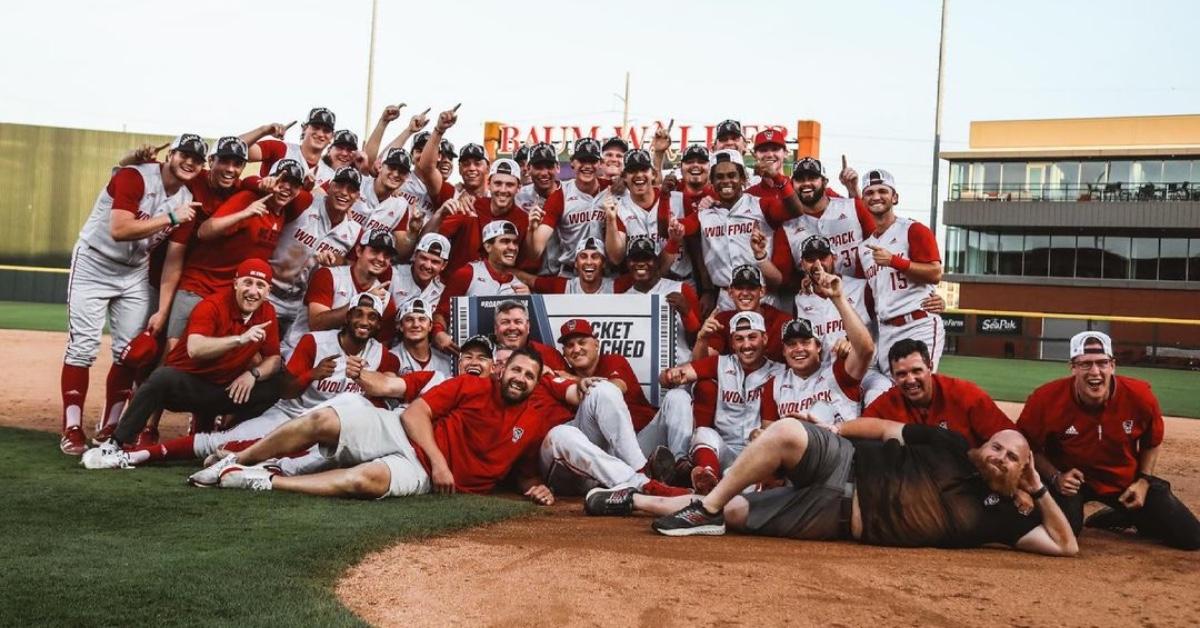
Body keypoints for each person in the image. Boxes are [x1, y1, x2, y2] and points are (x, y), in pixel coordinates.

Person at [585, 417, 1078, 557]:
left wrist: (1038, 491)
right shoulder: (949, 444)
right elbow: (884, 428)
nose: (998, 456)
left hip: (834, 517)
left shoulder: (1002, 515)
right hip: (844, 462)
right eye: (997, 446)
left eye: (1012, 457)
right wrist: (832, 430)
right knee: (785, 432)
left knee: (735, 514)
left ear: (1022, 472)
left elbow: (1065, 545)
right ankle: (706, 509)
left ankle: (632, 499)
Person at [191, 348, 558, 504]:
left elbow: (523, 473)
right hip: (406, 432)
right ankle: (238, 458)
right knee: (323, 418)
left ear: (536, 382)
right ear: (501, 371)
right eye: (517, 370)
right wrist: (441, 459)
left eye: (529, 375)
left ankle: (265, 481)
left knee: (361, 481)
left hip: (421, 474)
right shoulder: (472, 384)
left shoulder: (533, 420)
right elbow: (415, 414)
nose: (521, 378)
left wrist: (536, 488)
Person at [103, 292, 400, 468]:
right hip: (292, 414)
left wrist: (365, 379)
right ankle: (137, 455)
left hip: (328, 430)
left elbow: (381, 403)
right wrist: (313, 373)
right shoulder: (315, 342)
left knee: (313, 457)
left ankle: (233, 458)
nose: (364, 321)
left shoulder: (385, 357)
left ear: (378, 324)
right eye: (358, 314)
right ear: (346, 317)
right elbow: (284, 390)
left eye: (372, 317)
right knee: (218, 440)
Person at [59, 133, 205, 454]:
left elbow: (172, 263)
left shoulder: (186, 199)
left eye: (197, 158)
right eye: (185, 154)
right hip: (94, 263)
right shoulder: (134, 175)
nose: (190, 162)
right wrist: (169, 218)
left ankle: (110, 425)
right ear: (171, 155)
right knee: (83, 347)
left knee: (131, 353)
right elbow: (119, 229)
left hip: (134, 272)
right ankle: (71, 428)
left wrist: (163, 310)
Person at [81, 259, 286, 469]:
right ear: (235, 283)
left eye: (260, 286)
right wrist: (240, 339)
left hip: (224, 390)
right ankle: (116, 442)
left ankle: (232, 442)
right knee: (161, 378)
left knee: (276, 384)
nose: (253, 291)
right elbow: (195, 348)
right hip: (189, 387)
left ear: (268, 290)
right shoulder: (212, 305)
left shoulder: (267, 312)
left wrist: (253, 374)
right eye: (247, 283)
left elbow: (274, 359)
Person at [1017, 331, 1200, 550]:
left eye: (1102, 363)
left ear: (1113, 366)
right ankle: (1114, 513)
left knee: (1190, 538)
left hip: (1124, 480)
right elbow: (1026, 446)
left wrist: (1143, 481)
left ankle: (1119, 515)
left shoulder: (1139, 395)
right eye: (1085, 364)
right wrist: (1055, 476)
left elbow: (1152, 441)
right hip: (1071, 482)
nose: (1095, 372)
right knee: (1065, 531)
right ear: (1072, 368)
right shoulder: (1045, 399)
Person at [539, 319, 695, 494]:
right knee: (590, 400)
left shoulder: (612, 360)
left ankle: (681, 469)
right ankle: (642, 475)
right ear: (564, 353)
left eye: (582, 342)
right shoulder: (562, 378)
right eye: (569, 345)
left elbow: (617, 386)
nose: (576, 349)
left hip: (640, 442)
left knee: (678, 396)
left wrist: (575, 380)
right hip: (601, 450)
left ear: (596, 344)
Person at [660, 311, 785, 493]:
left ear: (764, 339)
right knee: (703, 433)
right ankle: (707, 477)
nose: (746, 345)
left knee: (741, 481)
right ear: (732, 343)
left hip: (756, 450)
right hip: (723, 448)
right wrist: (670, 376)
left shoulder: (780, 372)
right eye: (739, 339)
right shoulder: (720, 363)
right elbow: (672, 376)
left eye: (752, 337)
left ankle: (729, 487)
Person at [666, 150, 802, 310]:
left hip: (763, 297)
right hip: (726, 299)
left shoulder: (760, 205)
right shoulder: (704, 214)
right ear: (712, 182)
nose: (726, 181)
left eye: (732, 175)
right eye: (719, 177)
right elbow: (678, 227)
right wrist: (670, 215)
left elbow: (795, 210)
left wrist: (777, 177)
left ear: (743, 179)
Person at [760, 270, 875, 433]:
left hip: (839, 449)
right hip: (797, 454)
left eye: (805, 342)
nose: (799, 348)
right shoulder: (774, 385)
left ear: (819, 347)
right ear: (784, 351)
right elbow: (767, 431)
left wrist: (838, 299)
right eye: (791, 344)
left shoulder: (838, 372)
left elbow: (866, 350)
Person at [857, 169, 944, 374]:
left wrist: (894, 261)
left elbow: (935, 273)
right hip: (886, 330)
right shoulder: (864, 248)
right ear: (863, 200)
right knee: (892, 393)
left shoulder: (913, 230)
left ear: (894, 197)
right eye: (869, 193)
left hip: (917, 323)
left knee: (918, 387)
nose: (876, 196)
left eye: (882, 191)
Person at [267, 166, 365, 336]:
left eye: (351, 190)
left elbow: (355, 265)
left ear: (357, 196)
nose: (344, 193)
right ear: (330, 186)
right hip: (269, 294)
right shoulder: (306, 203)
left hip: (302, 307)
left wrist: (339, 261)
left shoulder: (355, 231)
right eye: (340, 186)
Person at [865, 338, 1013, 447]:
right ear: (893, 376)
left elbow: (1012, 438)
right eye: (902, 374)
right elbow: (861, 427)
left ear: (930, 367)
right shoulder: (888, 401)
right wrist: (840, 428)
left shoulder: (965, 394)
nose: (910, 380)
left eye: (917, 371)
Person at [284, 229, 397, 353]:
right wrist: (362, 301)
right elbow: (317, 324)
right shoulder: (329, 275)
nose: (381, 259)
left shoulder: (385, 300)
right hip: (298, 350)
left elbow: (381, 347)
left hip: (339, 363)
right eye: (375, 251)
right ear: (359, 251)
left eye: (387, 255)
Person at [431, 220, 529, 350]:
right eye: (505, 241)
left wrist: (528, 301)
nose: (512, 247)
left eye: (515, 242)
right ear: (488, 246)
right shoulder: (467, 273)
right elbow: (442, 313)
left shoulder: (520, 286)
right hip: (465, 351)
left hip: (503, 358)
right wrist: (438, 332)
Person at [524, 138, 611, 277]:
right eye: (582, 160)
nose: (587, 166)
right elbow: (536, 252)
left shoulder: (612, 189)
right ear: (572, 162)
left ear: (600, 163)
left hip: (605, 274)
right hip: (571, 274)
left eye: (592, 161)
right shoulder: (560, 195)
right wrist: (531, 229)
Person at [426, 159, 529, 276]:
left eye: (509, 185)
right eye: (498, 183)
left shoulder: (523, 219)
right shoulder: (470, 205)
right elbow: (432, 237)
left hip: (497, 285)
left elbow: (524, 265)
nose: (503, 190)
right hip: (458, 281)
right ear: (489, 184)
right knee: (470, 219)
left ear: (519, 188)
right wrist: (439, 214)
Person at [775, 156, 873, 278]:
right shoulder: (787, 227)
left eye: (812, 178)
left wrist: (853, 190)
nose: (806, 183)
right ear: (792, 184)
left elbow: (879, 240)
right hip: (813, 294)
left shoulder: (853, 206)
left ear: (825, 182)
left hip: (859, 291)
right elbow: (783, 277)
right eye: (800, 179)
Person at [614, 236, 702, 366]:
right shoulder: (623, 299)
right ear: (628, 263)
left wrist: (687, 313)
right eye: (635, 259)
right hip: (641, 370)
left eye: (647, 258)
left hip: (678, 368)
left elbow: (696, 341)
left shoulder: (681, 289)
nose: (641, 263)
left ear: (657, 261)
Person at [692, 265, 791, 363]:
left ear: (762, 292)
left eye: (751, 288)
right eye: (739, 288)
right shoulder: (722, 320)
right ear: (730, 293)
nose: (745, 293)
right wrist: (702, 338)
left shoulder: (782, 321)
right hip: (735, 377)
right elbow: (701, 363)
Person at [242, 107, 337, 184]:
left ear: (332, 137)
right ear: (304, 128)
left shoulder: (329, 175)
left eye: (326, 131)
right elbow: (235, 149)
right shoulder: (281, 149)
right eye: (316, 128)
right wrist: (263, 131)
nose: (320, 134)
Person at [516, 237, 612, 295]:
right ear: (576, 263)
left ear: (603, 263)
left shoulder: (615, 287)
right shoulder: (563, 286)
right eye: (583, 256)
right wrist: (503, 270)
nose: (589, 262)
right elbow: (529, 280)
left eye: (595, 257)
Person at [390, 298, 453, 377]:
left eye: (422, 319)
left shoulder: (445, 361)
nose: (416, 325)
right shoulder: (390, 357)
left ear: (430, 326)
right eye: (409, 320)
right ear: (401, 326)